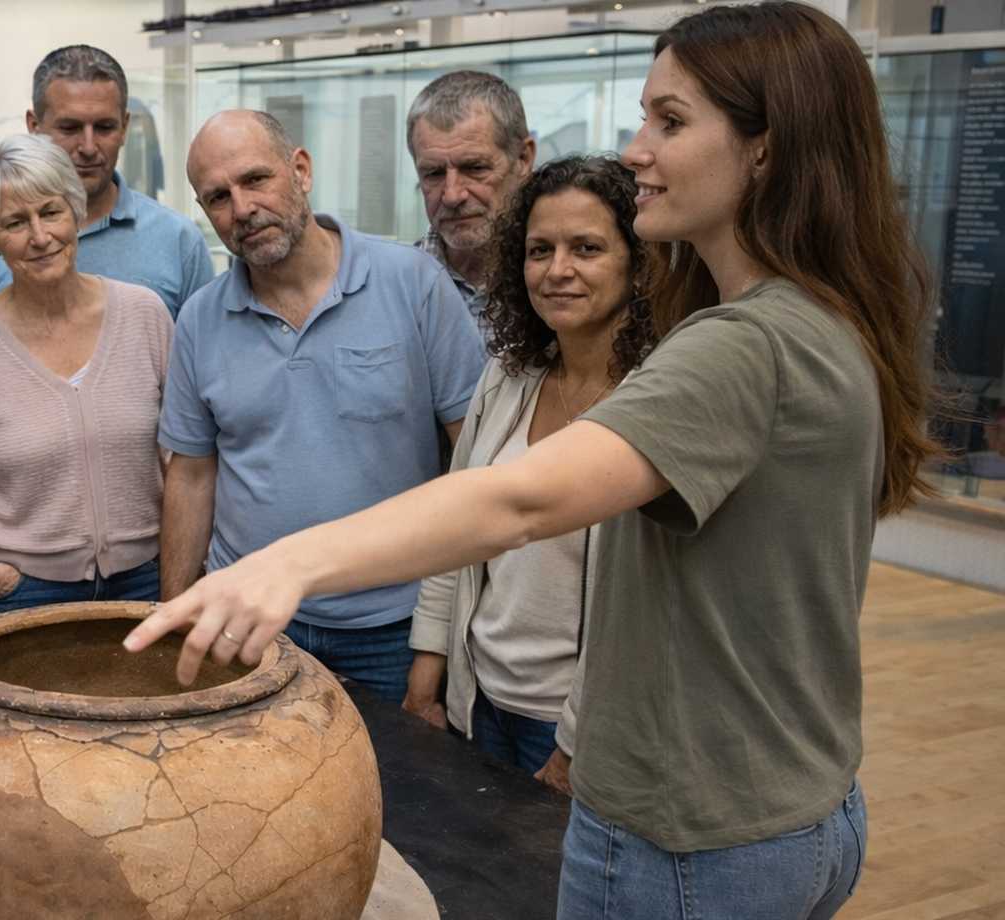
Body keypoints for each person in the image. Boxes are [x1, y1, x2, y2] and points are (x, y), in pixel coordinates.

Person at [131, 5, 937, 917]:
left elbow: (517, 501)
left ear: (766, 148)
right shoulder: (814, 322)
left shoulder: (745, 347)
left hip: (696, 832)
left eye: (671, 122)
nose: (638, 151)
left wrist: (289, 562)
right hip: (790, 801)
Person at [158, 110, 484, 702]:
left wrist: (440, 637)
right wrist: (177, 613)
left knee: (401, 792)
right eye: (218, 197)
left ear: (301, 170)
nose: (242, 208)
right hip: (251, 621)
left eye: (256, 180)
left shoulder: (413, 284)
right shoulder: (200, 321)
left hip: (393, 625)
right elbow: (190, 476)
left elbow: (473, 463)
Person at [403, 155, 657, 795]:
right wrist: (426, 681)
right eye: (539, 249)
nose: (558, 270)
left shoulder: (660, 398)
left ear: (638, 259)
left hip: (586, 728)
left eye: (588, 248)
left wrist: (574, 746)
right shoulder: (508, 375)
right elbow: (455, 525)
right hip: (480, 704)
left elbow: (653, 609)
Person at [0, 133, 173, 620]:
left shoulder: (146, 315)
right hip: (19, 592)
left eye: (51, 212)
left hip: (145, 582)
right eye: (15, 222)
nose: (39, 237)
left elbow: (181, 456)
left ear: (76, 212)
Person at [0, 44, 213, 318]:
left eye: (104, 127)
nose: (87, 146)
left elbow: (200, 355)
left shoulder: (177, 240)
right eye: (70, 128)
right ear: (34, 127)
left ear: (124, 127)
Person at [408, 70, 536, 321]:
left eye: (475, 168)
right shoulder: (393, 287)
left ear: (523, 160)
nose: (452, 195)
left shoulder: (558, 281)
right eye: (433, 173)